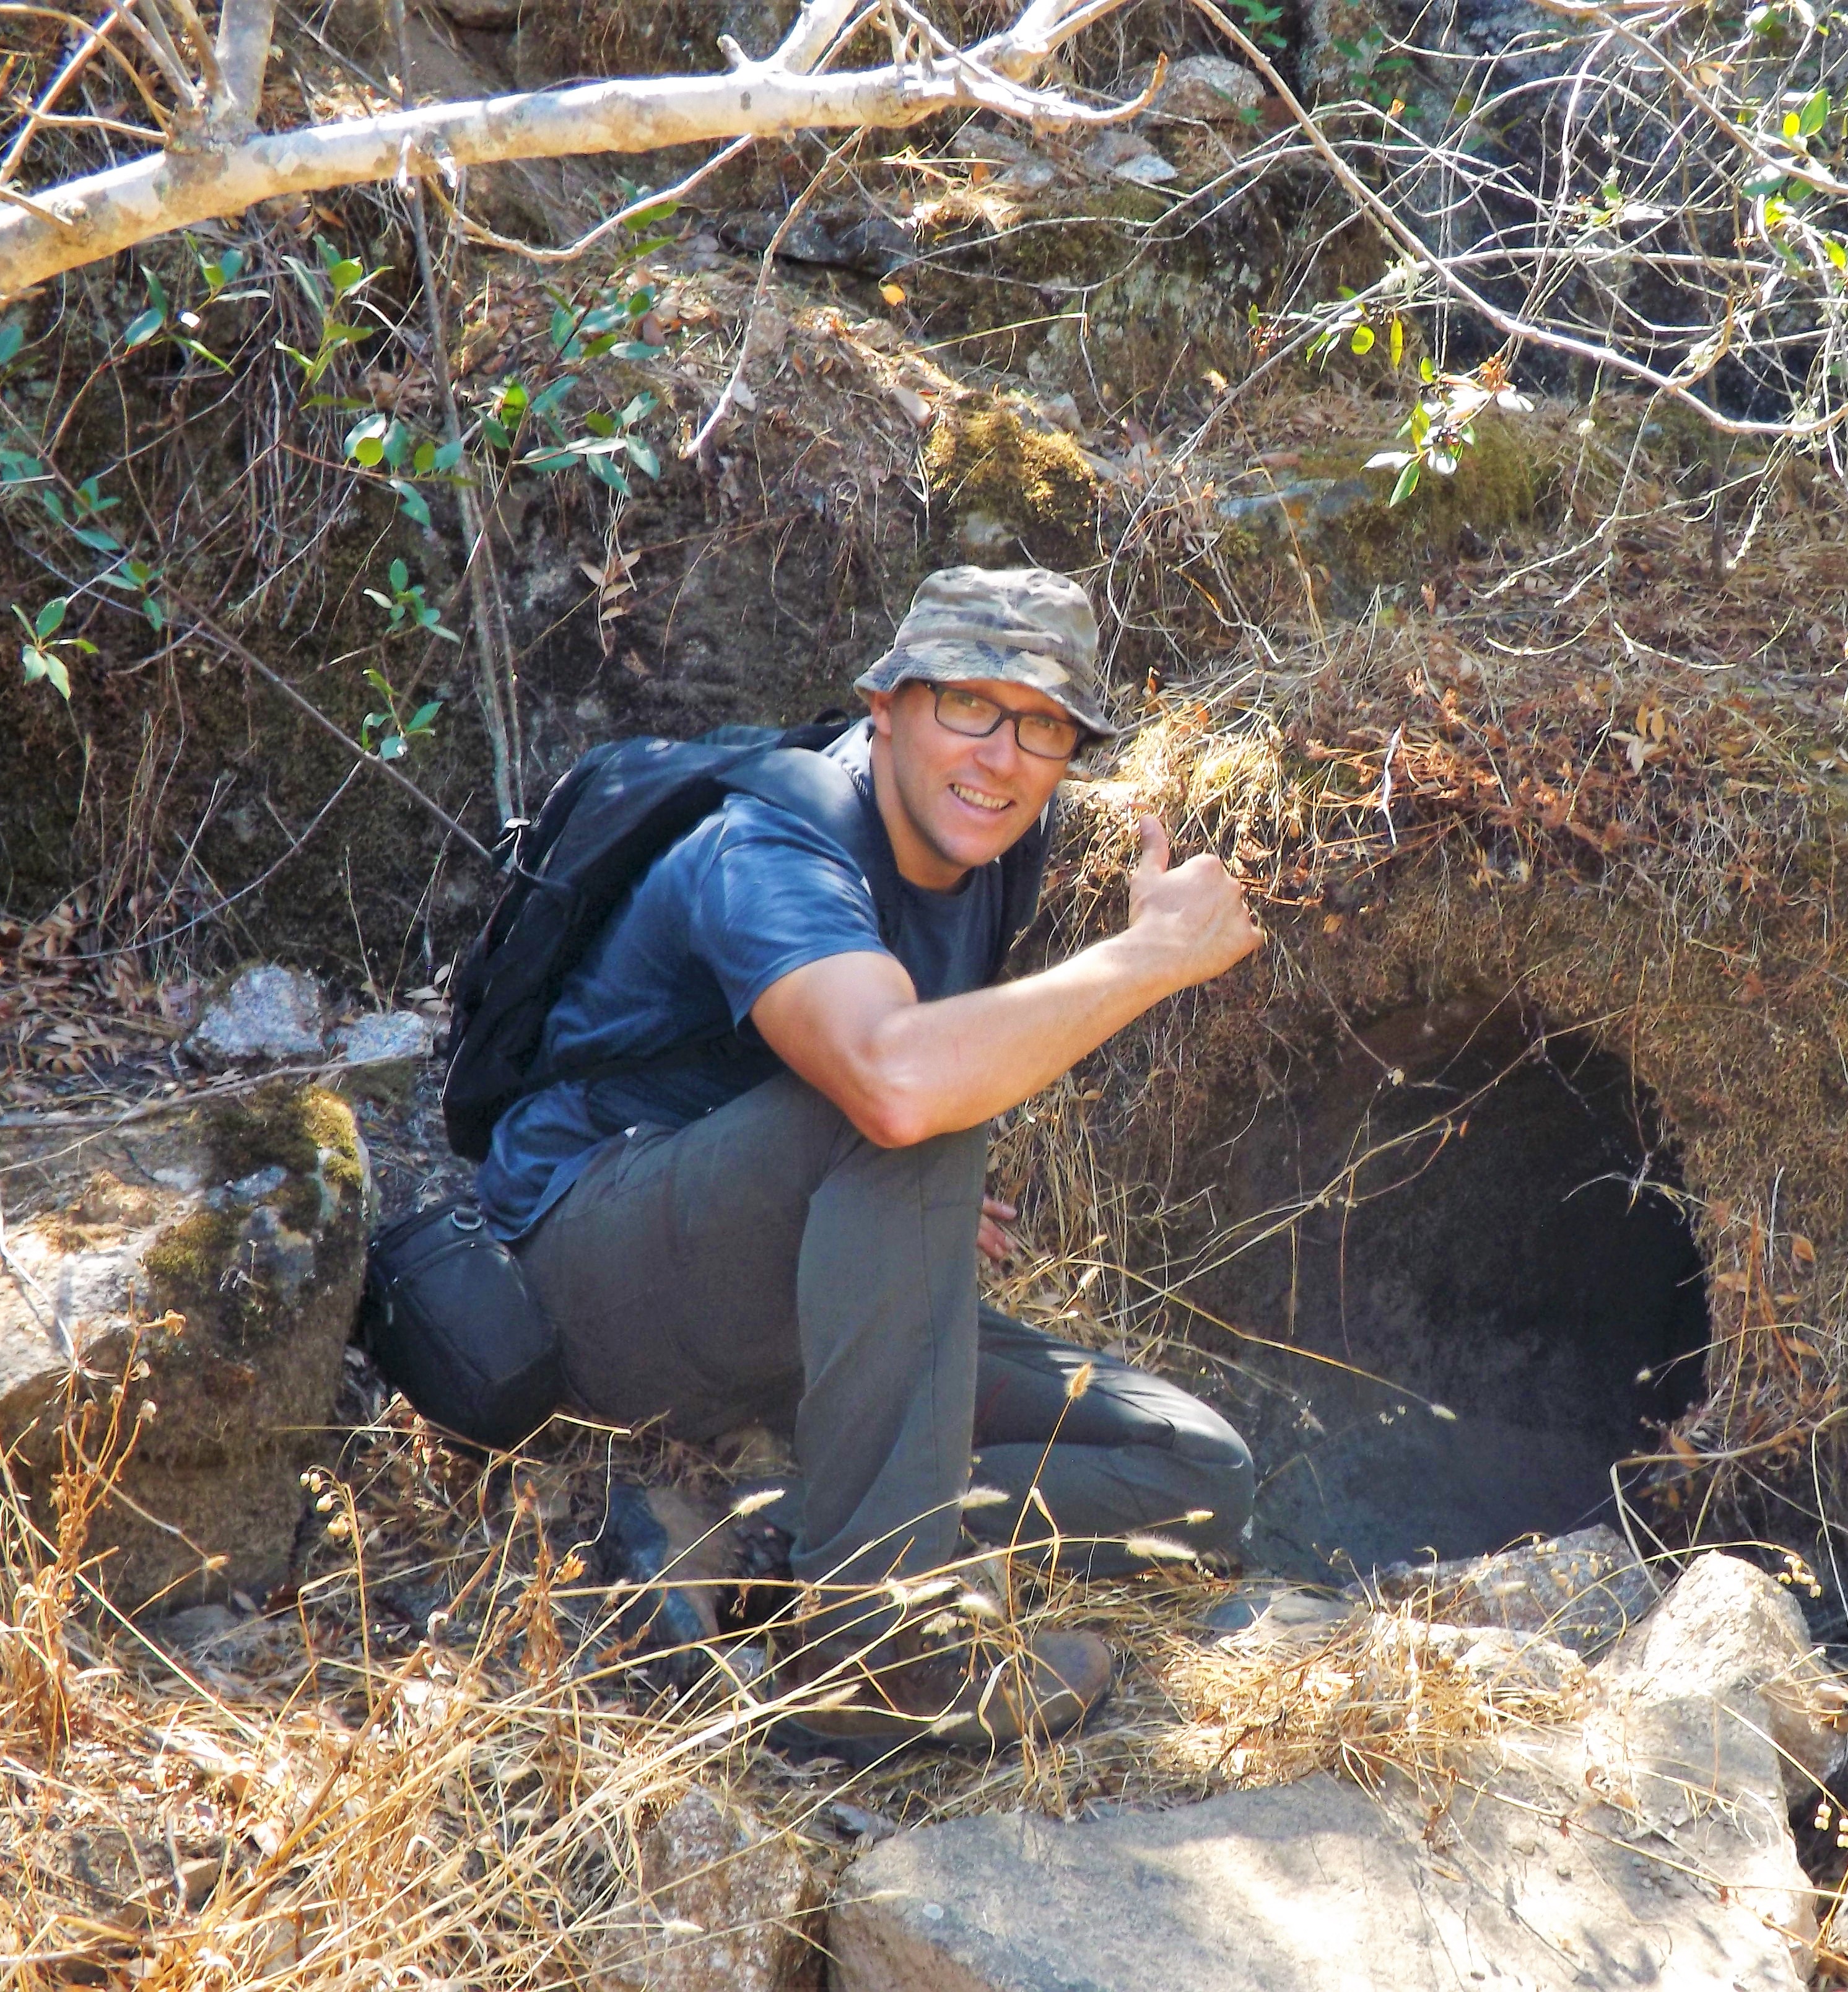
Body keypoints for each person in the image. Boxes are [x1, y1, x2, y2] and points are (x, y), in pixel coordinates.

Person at [472, 566, 1264, 1757]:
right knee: (917, 1111)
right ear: (885, 704)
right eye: (968, 706)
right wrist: (1146, 962)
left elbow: (899, 1093)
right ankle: (869, 1657)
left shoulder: (995, 847)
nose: (1001, 756)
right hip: (598, 1278)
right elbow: (894, 1085)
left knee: (1197, 1472)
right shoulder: (777, 840)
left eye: (1044, 725)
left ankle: (755, 1536)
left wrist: (904, 1212)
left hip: (781, 1302)